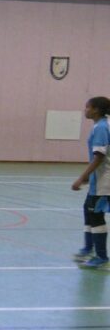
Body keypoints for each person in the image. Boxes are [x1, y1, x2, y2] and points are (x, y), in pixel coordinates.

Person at [71, 96, 110, 269]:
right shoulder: (100, 125)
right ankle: (89, 248)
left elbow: (99, 156)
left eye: (87, 107)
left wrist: (82, 177)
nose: (85, 110)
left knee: (96, 216)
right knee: (89, 210)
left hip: (104, 182)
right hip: (97, 180)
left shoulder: (101, 127)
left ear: (96, 109)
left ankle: (101, 257)